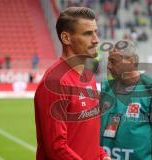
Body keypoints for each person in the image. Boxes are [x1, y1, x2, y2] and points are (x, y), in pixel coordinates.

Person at [34, 7, 111, 160]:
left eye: (95, 32)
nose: (96, 39)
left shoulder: (89, 77)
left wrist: (102, 156)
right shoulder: (55, 82)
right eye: (88, 33)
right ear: (66, 38)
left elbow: (87, 135)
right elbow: (57, 149)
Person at [100, 40, 152, 160]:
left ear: (131, 61)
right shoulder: (105, 88)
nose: (108, 66)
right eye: (108, 60)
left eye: (113, 61)